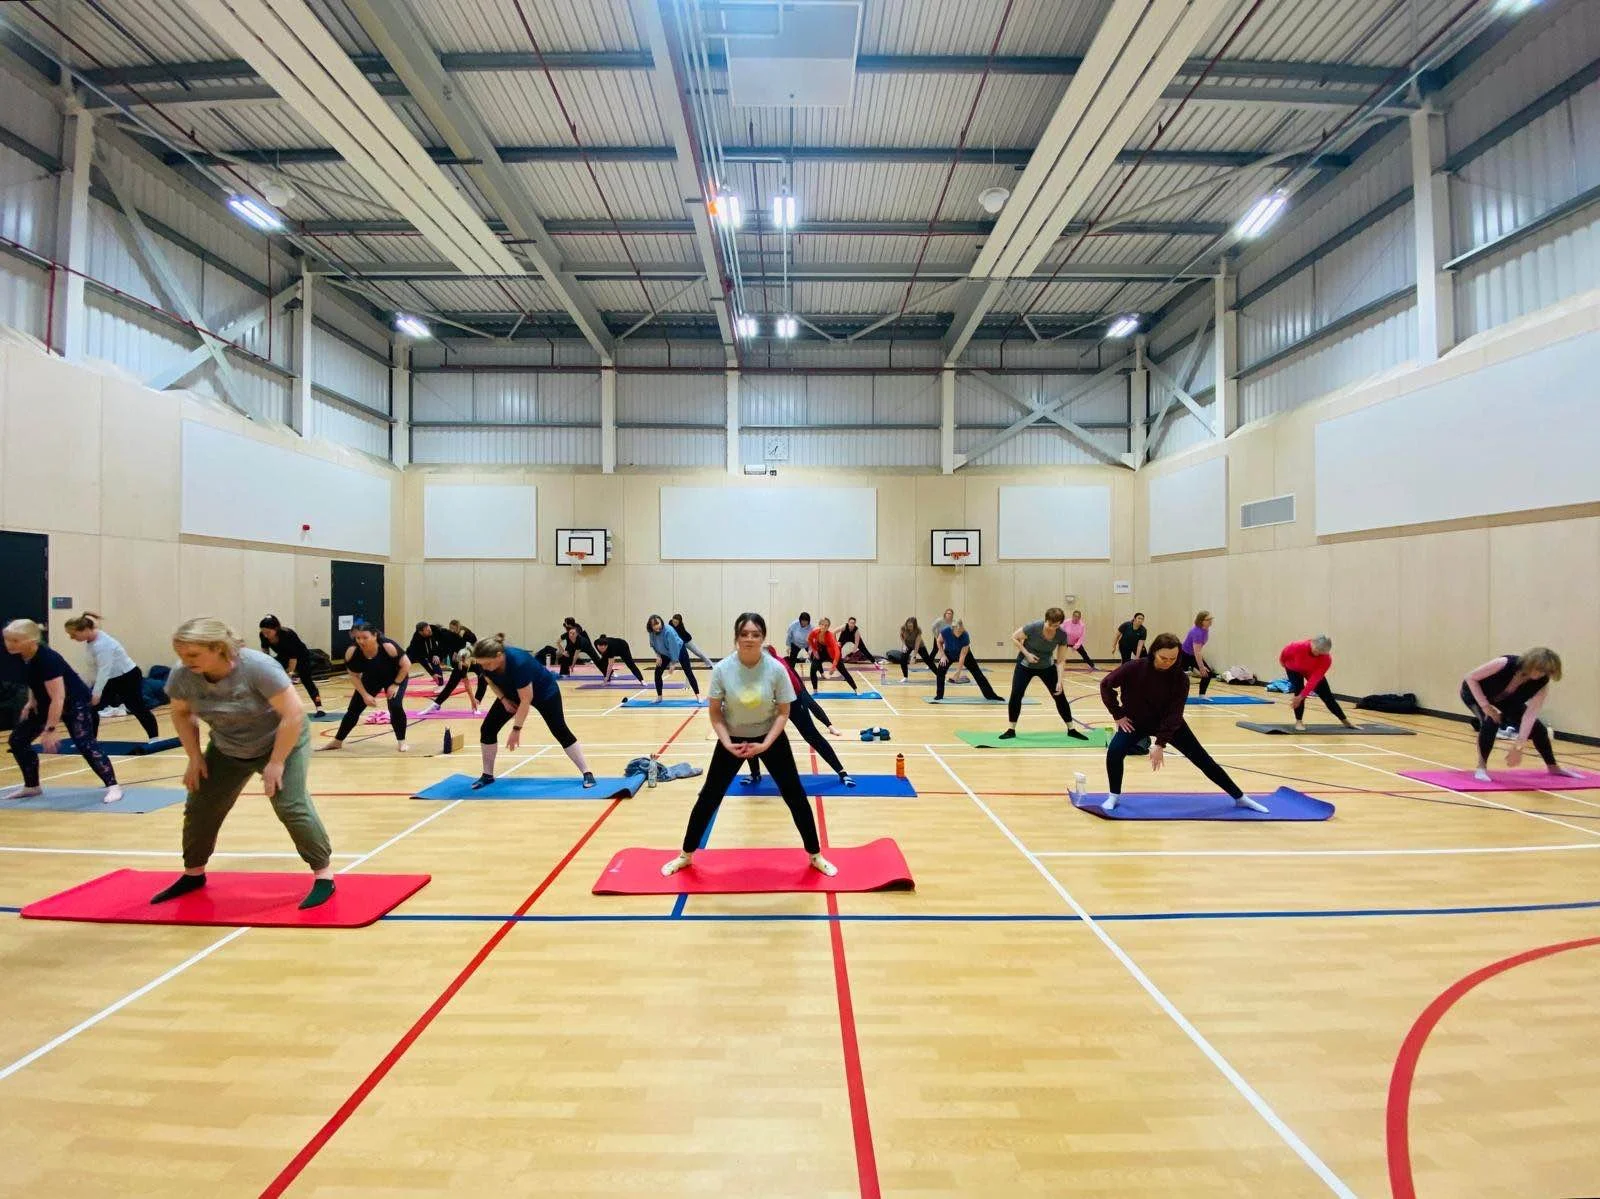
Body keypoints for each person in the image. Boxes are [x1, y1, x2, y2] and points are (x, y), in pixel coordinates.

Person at [151, 617, 335, 908]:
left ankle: (324, 874)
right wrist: (194, 757)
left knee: (290, 804)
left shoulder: (258, 668)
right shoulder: (183, 675)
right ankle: (193, 873)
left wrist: (276, 763)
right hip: (228, 745)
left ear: (218, 648)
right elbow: (181, 714)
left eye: (193, 655)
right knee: (201, 806)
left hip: (280, 741)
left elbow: (294, 714)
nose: (185, 661)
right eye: (181, 655)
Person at [661, 613, 835, 878]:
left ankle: (815, 855)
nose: (750, 639)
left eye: (755, 634)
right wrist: (727, 743)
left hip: (770, 738)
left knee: (795, 796)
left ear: (763, 637)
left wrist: (765, 744)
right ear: (736, 638)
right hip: (732, 739)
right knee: (709, 797)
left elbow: (784, 712)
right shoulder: (723, 669)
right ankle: (686, 854)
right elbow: (715, 713)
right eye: (744, 634)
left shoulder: (775, 669)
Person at [1072, 633, 1267, 814]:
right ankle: (1114, 796)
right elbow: (1106, 685)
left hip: (1169, 725)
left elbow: (1175, 714)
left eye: (1173, 659)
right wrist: (1118, 714)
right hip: (1135, 722)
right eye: (1163, 658)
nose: (1168, 663)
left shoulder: (1180, 678)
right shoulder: (1134, 667)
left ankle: (1240, 797)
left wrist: (1160, 743)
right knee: (1115, 752)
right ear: (1154, 652)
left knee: (1202, 759)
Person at [2, 619, 122, 803]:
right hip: (47, 701)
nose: (9, 644)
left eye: (15, 640)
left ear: (32, 640)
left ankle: (113, 786)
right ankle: (32, 786)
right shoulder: (21, 655)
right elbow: (33, 679)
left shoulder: (47, 659)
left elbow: (59, 697)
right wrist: (31, 701)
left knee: (85, 743)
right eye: (7, 639)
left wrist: (50, 729)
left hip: (73, 701)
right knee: (18, 740)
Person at [468, 636, 594, 790]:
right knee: (487, 729)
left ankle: (587, 772)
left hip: (544, 692)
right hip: (511, 692)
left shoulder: (519, 662)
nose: (484, 667)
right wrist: (503, 699)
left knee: (559, 729)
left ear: (499, 656)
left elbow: (526, 700)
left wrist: (516, 729)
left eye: (487, 664)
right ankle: (487, 775)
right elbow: (489, 680)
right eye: (482, 664)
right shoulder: (485, 662)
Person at [1461, 648, 1585, 783]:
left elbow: (1530, 715)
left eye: (1545, 672)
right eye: (1539, 669)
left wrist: (1519, 746)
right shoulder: (1505, 663)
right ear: (1529, 663)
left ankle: (1553, 767)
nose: (1540, 674)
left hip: (1506, 700)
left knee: (1539, 729)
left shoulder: (1541, 683)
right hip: (1475, 694)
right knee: (1491, 721)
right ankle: (1481, 767)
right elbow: (1470, 678)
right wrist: (1485, 706)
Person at [742, 646, 855, 790]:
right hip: (774, 703)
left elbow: (783, 694)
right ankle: (755, 773)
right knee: (751, 733)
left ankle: (841, 771)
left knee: (812, 735)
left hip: (794, 701)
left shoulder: (779, 667)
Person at [64, 611, 161, 740]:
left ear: (85, 630)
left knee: (136, 707)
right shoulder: (92, 637)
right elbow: (95, 668)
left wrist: (97, 693)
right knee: (90, 707)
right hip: (111, 678)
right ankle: (91, 741)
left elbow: (105, 670)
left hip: (127, 677)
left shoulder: (102, 645)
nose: (72, 638)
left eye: (73, 635)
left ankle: (154, 738)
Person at [999, 607, 1088, 740]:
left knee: (1059, 695)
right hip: (1025, 665)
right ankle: (1011, 729)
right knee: (1016, 694)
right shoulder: (1033, 627)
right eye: (1050, 624)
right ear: (1046, 620)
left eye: (1056, 625)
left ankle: (1071, 729)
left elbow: (1061, 660)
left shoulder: (1062, 635)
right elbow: (1014, 638)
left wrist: (1059, 681)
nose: (1052, 628)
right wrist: (1027, 654)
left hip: (1047, 666)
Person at [325, 624, 412, 753]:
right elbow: (354, 676)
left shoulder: (388, 646)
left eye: (365, 637)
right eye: (358, 638)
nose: (361, 641)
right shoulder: (352, 652)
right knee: (354, 709)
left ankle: (402, 742)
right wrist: (365, 695)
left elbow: (406, 665)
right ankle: (337, 741)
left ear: (375, 636)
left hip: (395, 677)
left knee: (395, 706)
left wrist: (395, 684)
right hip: (372, 678)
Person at [1280, 635, 1355, 731]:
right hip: (1293, 668)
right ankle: (1299, 721)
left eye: (1321, 652)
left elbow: (1314, 681)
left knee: (1327, 695)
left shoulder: (1326, 659)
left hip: (1311, 670)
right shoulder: (1297, 646)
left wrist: (1302, 696)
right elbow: (1284, 654)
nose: (1317, 653)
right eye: (1316, 650)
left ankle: (1345, 720)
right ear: (1312, 643)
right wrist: (1282, 663)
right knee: (1298, 690)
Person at [258, 616, 326, 715]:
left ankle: (319, 707)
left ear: (276, 629)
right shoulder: (263, 635)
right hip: (283, 656)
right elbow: (265, 653)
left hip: (301, 657)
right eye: (263, 632)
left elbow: (293, 658)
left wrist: (289, 674)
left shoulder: (288, 635)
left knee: (307, 680)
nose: (265, 635)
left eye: (268, 632)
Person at [425, 620, 489, 710]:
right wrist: (439, 655)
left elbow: (473, 642)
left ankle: (477, 699)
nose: (451, 630)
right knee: (452, 683)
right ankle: (437, 703)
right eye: (450, 628)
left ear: (458, 627)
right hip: (460, 661)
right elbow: (445, 648)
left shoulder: (465, 633)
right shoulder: (450, 637)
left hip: (470, 659)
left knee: (483, 677)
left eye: (453, 629)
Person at [935, 618, 1001, 701]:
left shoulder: (965, 635)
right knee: (940, 671)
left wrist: (958, 672)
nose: (960, 633)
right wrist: (942, 655)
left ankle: (991, 695)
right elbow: (939, 641)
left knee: (977, 673)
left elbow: (962, 656)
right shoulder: (946, 631)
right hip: (949, 653)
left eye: (961, 631)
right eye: (958, 631)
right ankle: (939, 695)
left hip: (965, 655)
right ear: (953, 628)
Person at [646, 614, 701, 699]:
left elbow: (674, 647)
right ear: (651, 626)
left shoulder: (669, 630)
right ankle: (659, 697)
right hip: (665, 653)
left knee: (688, 671)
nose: (657, 627)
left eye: (658, 624)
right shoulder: (651, 632)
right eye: (654, 625)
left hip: (679, 650)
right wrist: (658, 656)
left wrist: (673, 663)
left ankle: (698, 695)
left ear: (661, 622)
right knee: (657, 672)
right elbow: (653, 645)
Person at [808, 617, 859, 692]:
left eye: (826, 625)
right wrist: (815, 651)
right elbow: (809, 639)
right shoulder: (815, 632)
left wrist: (833, 666)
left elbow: (837, 652)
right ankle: (815, 691)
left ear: (828, 627)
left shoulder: (830, 636)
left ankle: (855, 689)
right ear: (819, 625)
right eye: (822, 624)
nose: (824, 627)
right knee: (812, 669)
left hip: (832, 654)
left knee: (843, 671)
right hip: (821, 652)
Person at [885, 616, 939, 683]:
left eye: (911, 625)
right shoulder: (903, 628)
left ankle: (939, 676)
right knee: (903, 659)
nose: (909, 626)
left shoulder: (918, 630)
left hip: (919, 646)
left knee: (928, 661)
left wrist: (914, 656)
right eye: (908, 624)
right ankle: (905, 677)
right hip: (908, 644)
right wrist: (904, 645)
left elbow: (917, 644)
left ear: (914, 625)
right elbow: (901, 636)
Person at [1180, 611, 1215, 695]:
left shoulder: (1205, 629)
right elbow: (1197, 652)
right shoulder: (1197, 632)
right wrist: (1201, 667)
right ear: (1201, 621)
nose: (1211, 621)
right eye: (1208, 619)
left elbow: (1197, 651)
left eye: (1211, 619)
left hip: (1192, 655)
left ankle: (1202, 695)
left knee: (1208, 673)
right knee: (1177, 676)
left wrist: (1202, 668)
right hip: (1184, 655)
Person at [931, 607, 964, 681]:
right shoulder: (940, 620)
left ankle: (944, 663)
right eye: (948, 613)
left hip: (947, 638)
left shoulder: (953, 622)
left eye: (951, 613)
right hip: (939, 637)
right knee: (935, 650)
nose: (949, 615)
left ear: (952, 615)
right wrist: (936, 636)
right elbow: (933, 627)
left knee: (946, 651)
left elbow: (957, 629)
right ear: (945, 614)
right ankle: (930, 662)